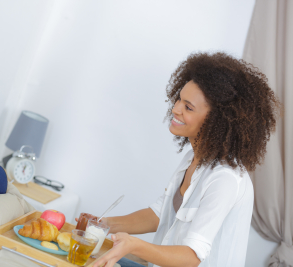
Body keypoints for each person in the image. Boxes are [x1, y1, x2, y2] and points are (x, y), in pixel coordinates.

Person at [90, 52, 280, 267]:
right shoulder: (194, 157)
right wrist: (101, 224)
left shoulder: (225, 179)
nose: (176, 108)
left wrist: (133, 245)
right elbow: (159, 215)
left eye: (188, 107)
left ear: (217, 121)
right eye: (179, 98)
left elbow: (192, 256)